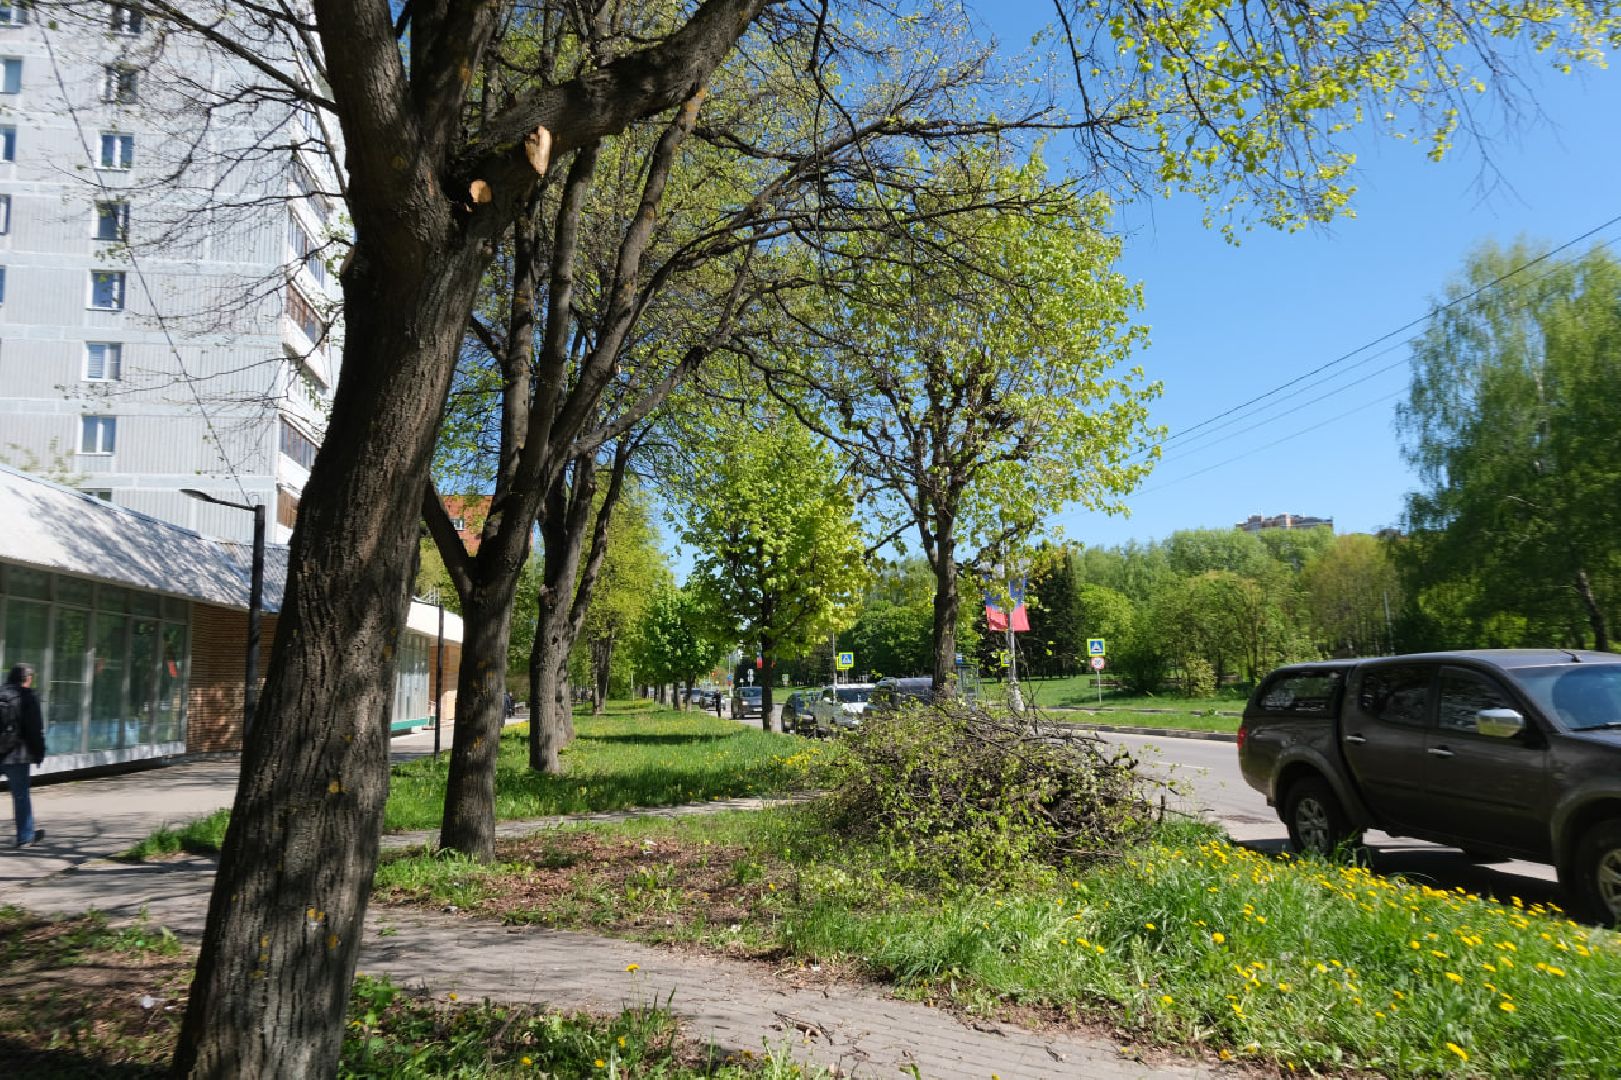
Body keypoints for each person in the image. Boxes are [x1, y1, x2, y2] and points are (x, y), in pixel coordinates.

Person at [1, 662, 47, 848]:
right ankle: (25, 837)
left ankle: (27, 834)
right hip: (18, 755)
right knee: (21, 796)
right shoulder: (27, 696)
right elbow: (34, 730)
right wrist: (39, 753)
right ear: (27, 679)